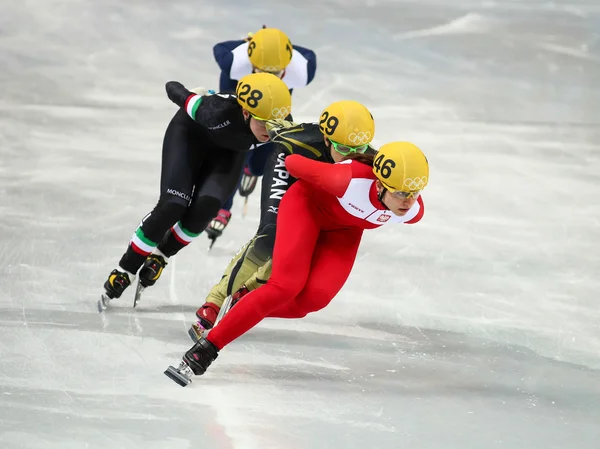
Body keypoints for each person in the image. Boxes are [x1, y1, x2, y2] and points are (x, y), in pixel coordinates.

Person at [165, 141, 429, 384]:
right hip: (306, 207)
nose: (408, 201)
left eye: (414, 193)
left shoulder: (413, 211)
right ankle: (207, 349)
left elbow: (402, 204)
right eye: (401, 193)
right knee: (285, 286)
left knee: (313, 300)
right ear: (380, 184)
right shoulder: (348, 180)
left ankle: (245, 301)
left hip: (344, 230)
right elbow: (292, 163)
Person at [99, 73, 293, 310]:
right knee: (173, 205)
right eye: (263, 122)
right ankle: (125, 269)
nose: (269, 130)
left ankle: (162, 255)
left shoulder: (282, 126)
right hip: (190, 135)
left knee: (208, 206)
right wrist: (192, 95)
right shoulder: (215, 110)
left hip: (228, 154)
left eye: (275, 124)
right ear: (245, 112)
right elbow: (172, 88)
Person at [189, 100, 377, 338]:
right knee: (270, 235)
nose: (353, 155)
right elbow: (267, 126)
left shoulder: (371, 158)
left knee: (295, 254)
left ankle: (248, 294)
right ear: (327, 139)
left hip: (315, 192)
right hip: (287, 167)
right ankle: (215, 300)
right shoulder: (301, 139)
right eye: (345, 149)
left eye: (359, 148)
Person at [206, 27, 317, 244]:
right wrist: (253, 42)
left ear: (287, 67)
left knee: (259, 162)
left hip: (272, 113)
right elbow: (219, 48)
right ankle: (223, 206)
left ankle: (252, 169)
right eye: (262, 72)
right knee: (233, 154)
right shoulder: (234, 61)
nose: (267, 79)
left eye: (275, 74)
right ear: (251, 64)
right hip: (236, 105)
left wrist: (276, 43)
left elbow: (309, 54)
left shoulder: (302, 69)